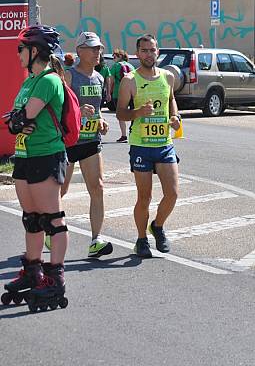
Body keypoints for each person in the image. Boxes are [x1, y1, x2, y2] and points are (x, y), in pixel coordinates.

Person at [2, 25, 69, 311]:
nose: (18, 53)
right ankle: (33, 270)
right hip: (24, 154)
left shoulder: (48, 80)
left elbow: (22, 118)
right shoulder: (29, 81)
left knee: (51, 219)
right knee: (31, 218)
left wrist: (18, 120)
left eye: (21, 48)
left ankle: (55, 277)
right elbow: (13, 121)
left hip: (45, 154)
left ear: (35, 51)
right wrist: (17, 120)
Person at [116, 34, 180, 258]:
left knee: (172, 193)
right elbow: (120, 112)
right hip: (141, 145)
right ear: (137, 53)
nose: (149, 54)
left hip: (164, 142)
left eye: (152, 50)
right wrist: (138, 113)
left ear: (158, 52)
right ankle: (141, 239)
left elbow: (171, 99)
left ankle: (158, 226)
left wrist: (175, 116)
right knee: (145, 198)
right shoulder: (130, 80)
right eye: (144, 51)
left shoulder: (168, 76)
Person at [57, 31, 113, 258]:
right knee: (61, 190)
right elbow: (57, 109)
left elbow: (96, 109)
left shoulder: (99, 78)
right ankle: (51, 230)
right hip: (69, 141)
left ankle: (96, 240)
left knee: (97, 187)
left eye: (99, 47)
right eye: (92, 48)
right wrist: (78, 113)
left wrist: (101, 121)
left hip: (91, 140)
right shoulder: (69, 77)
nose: (97, 51)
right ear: (79, 50)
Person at [111, 49, 134, 142]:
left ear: (120, 56)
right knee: (133, 113)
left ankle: (124, 135)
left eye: (114, 57)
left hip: (118, 93)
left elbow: (111, 79)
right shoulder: (131, 66)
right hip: (132, 93)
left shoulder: (116, 66)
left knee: (120, 114)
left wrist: (109, 92)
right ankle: (132, 132)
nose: (113, 59)